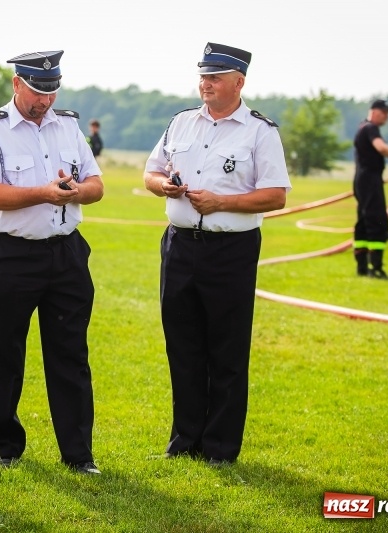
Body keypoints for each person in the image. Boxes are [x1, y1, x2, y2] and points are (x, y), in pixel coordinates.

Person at [143, 42, 291, 466]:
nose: (205, 83)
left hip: (231, 250)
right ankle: (184, 441)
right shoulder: (181, 122)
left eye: (215, 77)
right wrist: (163, 186)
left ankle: (220, 449)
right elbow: (150, 172)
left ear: (238, 82)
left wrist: (222, 203)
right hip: (179, 245)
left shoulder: (260, 131)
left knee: (226, 351)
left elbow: (276, 196)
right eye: (203, 76)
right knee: (183, 347)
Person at [0, 50, 104, 475]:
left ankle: (79, 455)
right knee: (6, 351)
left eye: (51, 91)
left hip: (67, 251)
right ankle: (4, 447)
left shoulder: (68, 126)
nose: (44, 101)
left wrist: (73, 191)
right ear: (16, 84)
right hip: (14, 253)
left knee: (71, 355)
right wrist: (44, 193)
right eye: (37, 92)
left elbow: (96, 185)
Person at [352, 99, 388, 279]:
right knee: (377, 221)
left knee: (364, 221)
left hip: (362, 179)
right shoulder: (370, 129)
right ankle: (376, 268)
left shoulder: (362, 127)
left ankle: (362, 267)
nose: (387, 116)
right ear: (374, 112)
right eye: (385, 112)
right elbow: (380, 147)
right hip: (369, 179)